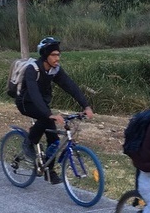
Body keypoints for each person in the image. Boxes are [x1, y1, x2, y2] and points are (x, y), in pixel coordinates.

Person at [15, 36, 94, 184]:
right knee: (45, 119)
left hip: (42, 105)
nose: (57, 58)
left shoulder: (54, 70)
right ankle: (29, 142)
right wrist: (49, 114)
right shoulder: (33, 69)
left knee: (54, 141)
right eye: (54, 55)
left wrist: (86, 106)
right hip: (26, 102)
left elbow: (71, 86)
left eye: (58, 54)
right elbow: (34, 93)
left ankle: (49, 171)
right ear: (45, 55)